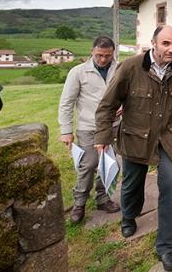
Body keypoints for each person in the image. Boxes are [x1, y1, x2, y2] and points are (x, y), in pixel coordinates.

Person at [94, 25, 172, 272]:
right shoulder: (131, 67)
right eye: (166, 44)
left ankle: (167, 247)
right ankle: (129, 216)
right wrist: (102, 136)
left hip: (170, 137)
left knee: (171, 188)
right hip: (136, 136)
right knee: (132, 183)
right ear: (154, 43)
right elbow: (107, 105)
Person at [58, 36, 121, 223]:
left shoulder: (120, 69)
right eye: (99, 55)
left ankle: (103, 198)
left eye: (107, 56)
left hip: (113, 125)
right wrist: (66, 130)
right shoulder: (78, 72)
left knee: (108, 162)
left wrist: (124, 105)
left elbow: (128, 93)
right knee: (89, 164)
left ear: (113, 53)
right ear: (92, 52)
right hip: (88, 127)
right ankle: (79, 203)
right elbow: (66, 103)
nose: (103, 59)